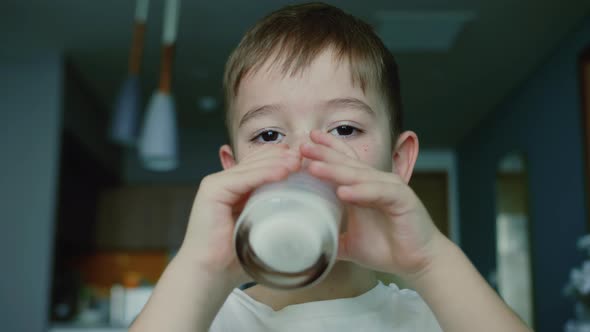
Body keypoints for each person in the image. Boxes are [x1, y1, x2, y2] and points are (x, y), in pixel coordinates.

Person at [130, 3, 532, 332]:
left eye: (343, 128)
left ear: (396, 163)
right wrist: (200, 268)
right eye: (268, 135)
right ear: (234, 174)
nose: (304, 154)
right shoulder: (202, 319)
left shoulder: (439, 316)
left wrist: (430, 260)